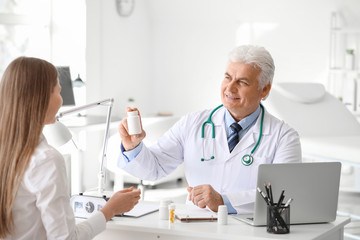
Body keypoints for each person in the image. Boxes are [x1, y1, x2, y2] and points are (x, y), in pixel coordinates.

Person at [117, 45, 301, 214]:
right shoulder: (193, 123)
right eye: (228, 77)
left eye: (242, 82)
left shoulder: (284, 137)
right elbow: (154, 168)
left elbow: (281, 196)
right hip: (196, 227)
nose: (230, 87)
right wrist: (133, 147)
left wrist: (224, 201)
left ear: (264, 89)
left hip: (249, 232)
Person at [0, 57, 141, 239]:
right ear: (41, 99)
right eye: (58, 92)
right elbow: (66, 238)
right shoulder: (46, 159)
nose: (61, 100)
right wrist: (110, 209)